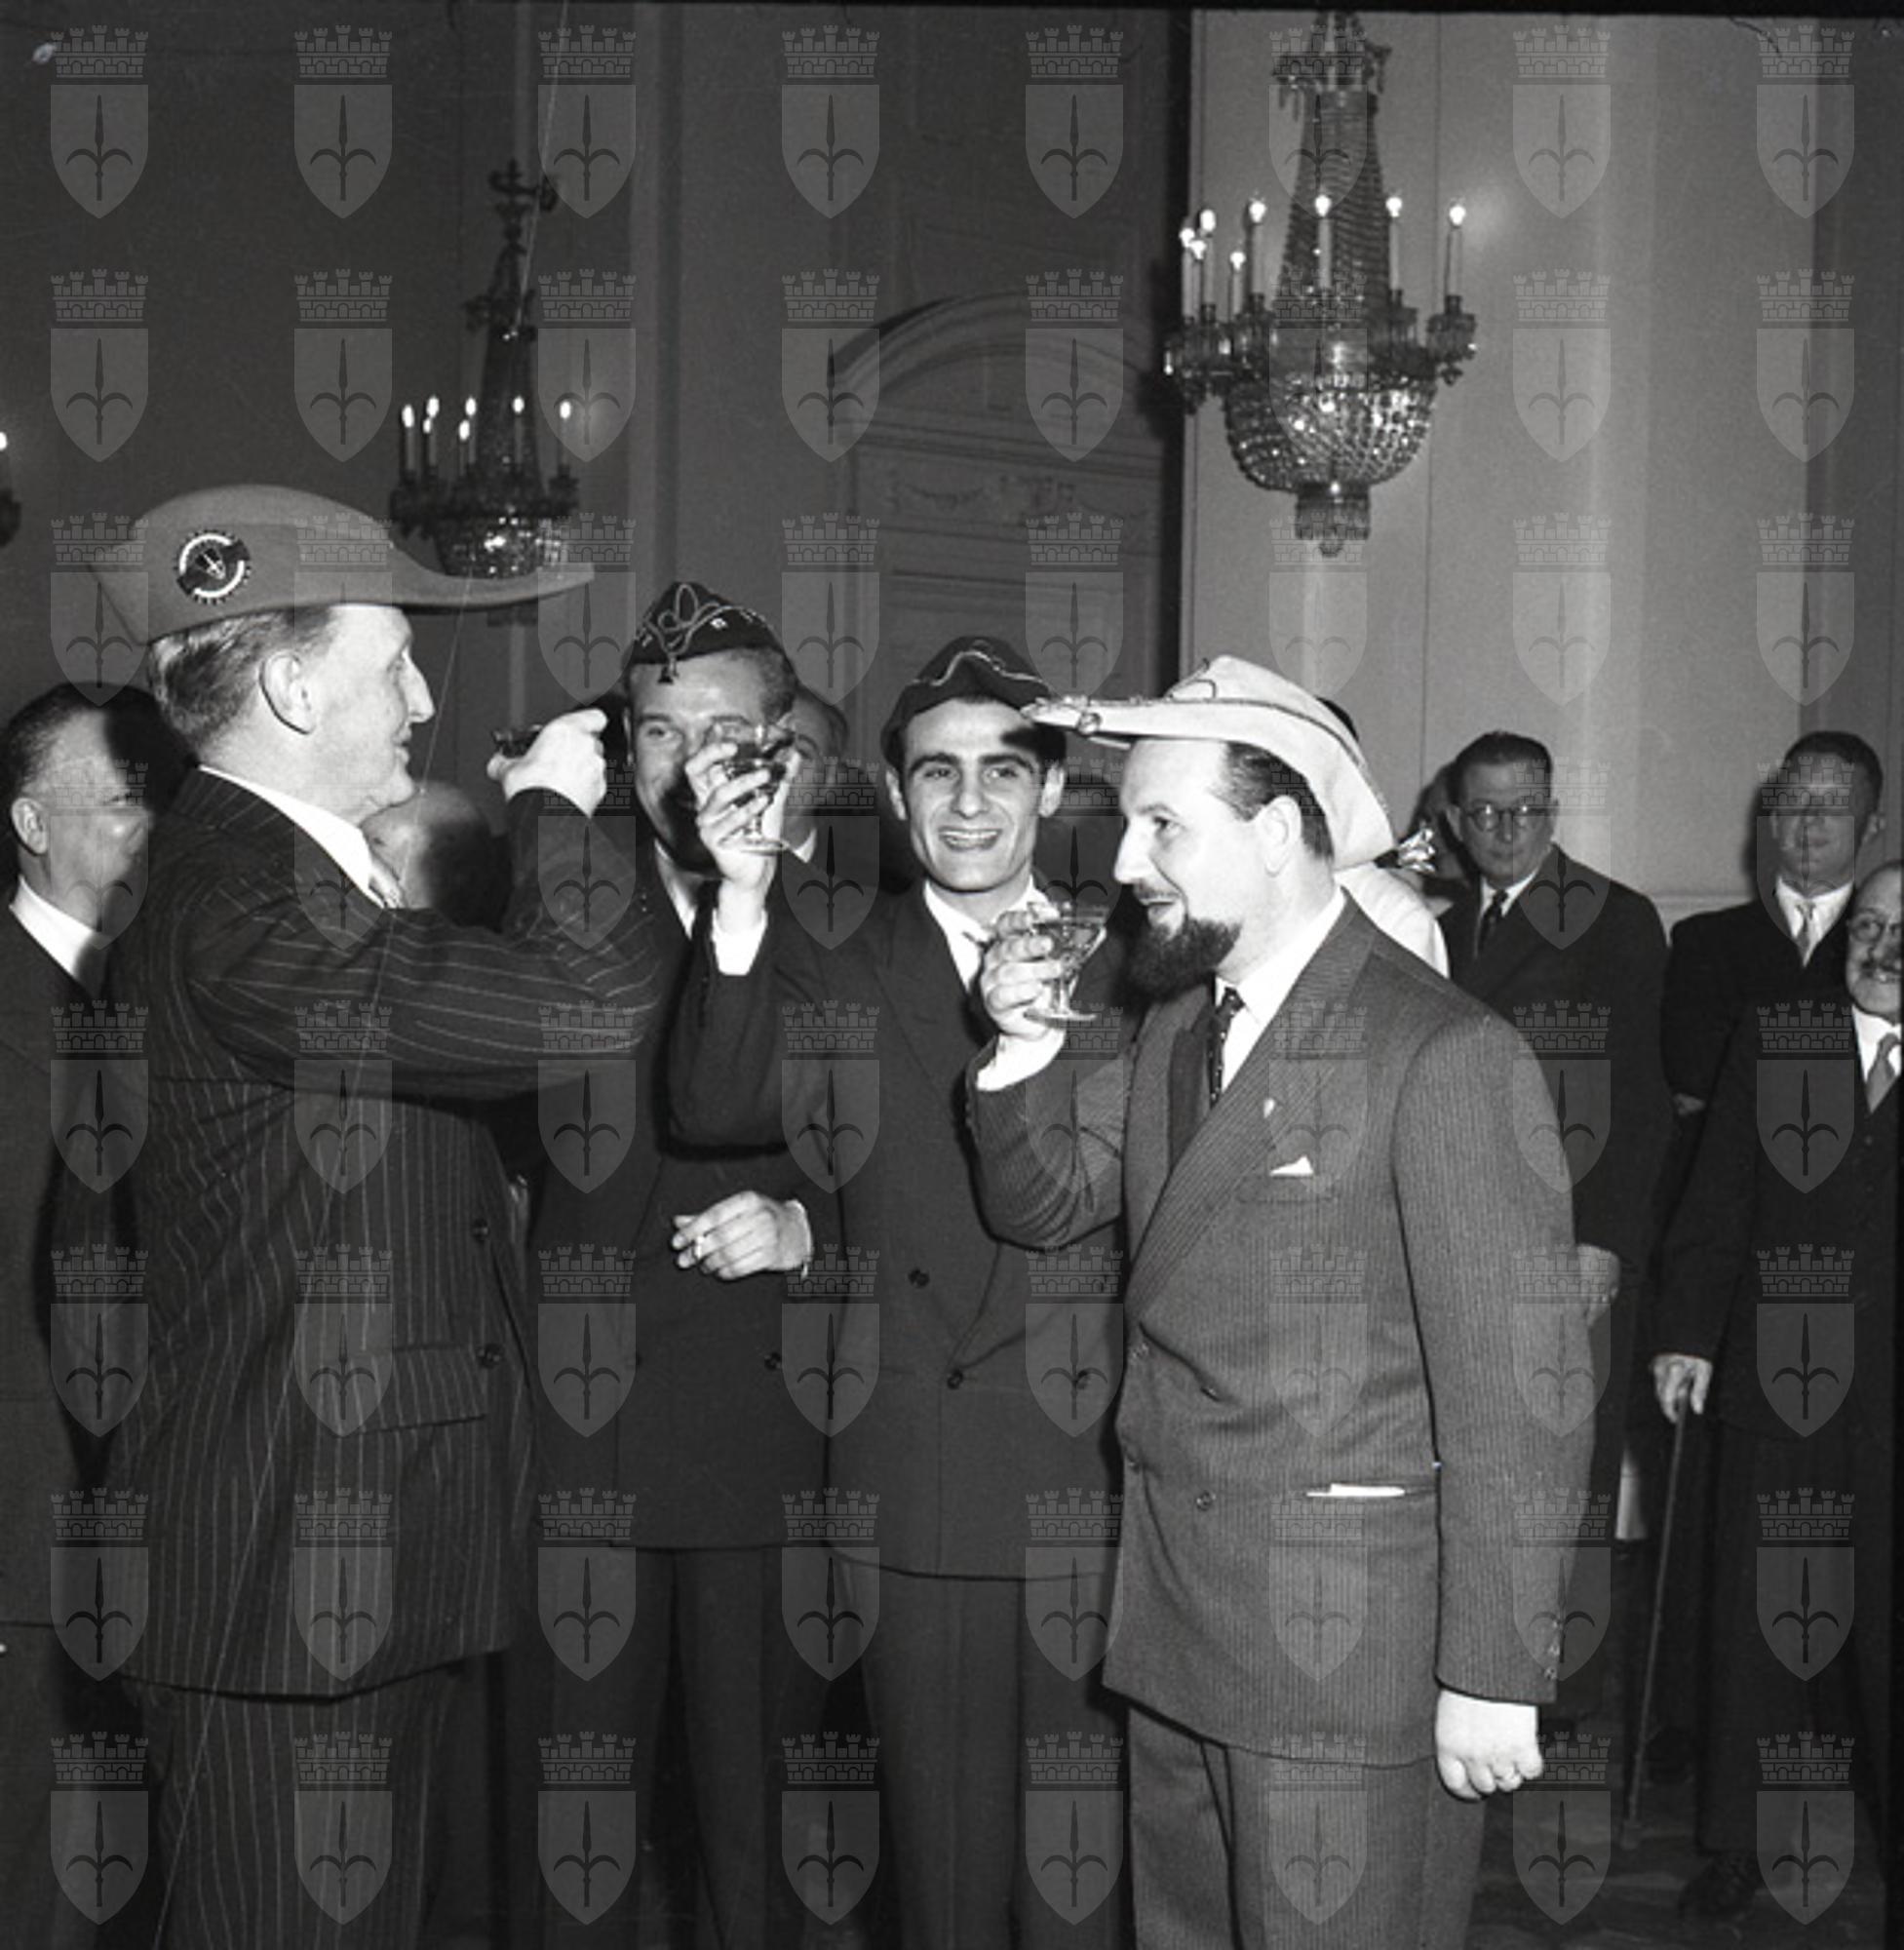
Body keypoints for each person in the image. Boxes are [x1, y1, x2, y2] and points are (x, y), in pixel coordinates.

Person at [83, 485, 662, 1948]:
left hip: (351, 1565)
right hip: (280, 1584)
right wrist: (552, 810)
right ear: (290, 687)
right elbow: (589, 1007)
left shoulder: (284, 886)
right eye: (393, 661)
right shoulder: (243, 903)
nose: (422, 700)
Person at [969, 656, 1595, 1950]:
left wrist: (1491, 1669)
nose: (1126, 861)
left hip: (1343, 1659)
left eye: (1163, 824)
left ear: (1274, 832)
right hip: (1175, 1626)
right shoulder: (1177, 1024)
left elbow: (1519, 1397)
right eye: (1128, 823)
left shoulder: (1446, 1052)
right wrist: (1021, 1048)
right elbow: (1044, 1203)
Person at [670, 635, 1131, 1946]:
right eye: (937, 771)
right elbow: (714, 1105)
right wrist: (743, 897)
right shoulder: (840, 958)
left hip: (1092, 1470)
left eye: (1004, 769)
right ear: (891, 788)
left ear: (1053, 788)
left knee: (1082, 1880)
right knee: (943, 1874)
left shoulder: (1132, 961)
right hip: (914, 1471)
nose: (969, 802)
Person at [520, 580, 824, 1949]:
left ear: (784, 750)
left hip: (765, 1432)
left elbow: (930, 1187)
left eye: (721, 732)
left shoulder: (860, 928)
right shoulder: (550, 905)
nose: (686, 762)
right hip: (577, 1434)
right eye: (654, 732)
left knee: (762, 1835)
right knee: (573, 1827)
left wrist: (816, 1233)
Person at [1650, 861, 1899, 1922]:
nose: (1882, 948)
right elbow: (1718, 1197)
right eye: (1869, 925)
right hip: (1776, 1381)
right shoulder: (1778, 1035)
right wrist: (1685, 1335)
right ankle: (1743, 1840)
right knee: (1760, 1630)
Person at [1438, 731, 1675, 1721]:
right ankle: (1469, 1673)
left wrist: (1604, 1240)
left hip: (1565, 1241)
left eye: (1526, 810)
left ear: (1554, 811)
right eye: (1486, 813)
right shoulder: (1433, 922)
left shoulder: (1616, 917)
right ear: (1454, 820)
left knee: (1566, 1469)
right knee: (1470, 1459)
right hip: (1458, 1235)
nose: (1506, 830)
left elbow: (1642, 1099)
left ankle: (1562, 1697)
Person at [0, 685, 180, 1944]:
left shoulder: (177, 990)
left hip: (172, 1520)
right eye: (120, 802)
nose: (148, 830)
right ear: (30, 823)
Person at [1662, 731, 1885, 1122]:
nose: (1810, 818)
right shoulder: (1704, 942)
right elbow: (1694, 1077)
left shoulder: (1888, 945)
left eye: (1834, 803)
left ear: (1870, 828)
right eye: (1796, 799)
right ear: (1776, 819)